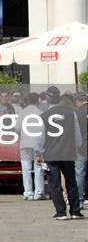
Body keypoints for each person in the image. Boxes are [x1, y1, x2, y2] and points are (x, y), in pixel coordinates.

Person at [38, 92, 83, 220]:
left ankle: (61, 211)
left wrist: (39, 152)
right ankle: (75, 211)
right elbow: (77, 134)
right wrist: (77, 146)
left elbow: (41, 137)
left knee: (54, 183)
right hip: (68, 152)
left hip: (51, 153)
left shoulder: (44, 115)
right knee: (71, 181)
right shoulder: (71, 114)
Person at [19, 92, 47, 201]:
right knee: (38, 167)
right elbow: (44, 128)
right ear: (37, 101)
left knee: (26, 168)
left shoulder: (22, 113)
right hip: (38, 142)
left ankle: (28, 192)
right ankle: (39, 192)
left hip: (25, 141)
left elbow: (16, 127)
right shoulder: (41, 113)